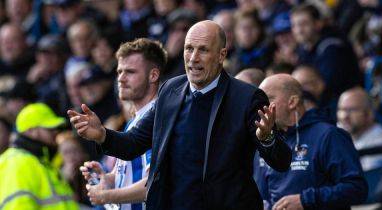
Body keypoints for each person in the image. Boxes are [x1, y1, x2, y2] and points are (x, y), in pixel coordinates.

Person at [68, 20, 291, 210]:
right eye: (188, 48)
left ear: (221, 54)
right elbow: (133, 143)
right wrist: (101, 135)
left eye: (203, 50)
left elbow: (281, 161)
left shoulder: (247, 97)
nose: (193, 58)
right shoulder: (170, 90)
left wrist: (267, 138)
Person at [258, 74, 368, 210]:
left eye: (268, 99)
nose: (262, 106)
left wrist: (305, 200)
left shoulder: (329, 135)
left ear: (292, 102)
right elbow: (266, 196)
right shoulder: (270, 139)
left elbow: (357, 189)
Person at [80, 38, 165, 210]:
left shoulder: (161, 120)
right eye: (119, 72)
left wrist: (106, 196)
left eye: (131, 72)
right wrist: (108, 178)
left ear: (153, 75)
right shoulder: (134, 122)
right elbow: (136, 173)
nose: (121, 79)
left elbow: (156, 183)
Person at [0, 103, 78, 209]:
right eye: (49, 128)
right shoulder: (18, 162)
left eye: (56, 128)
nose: (55, 132)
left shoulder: (39, 160)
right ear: (31, 131)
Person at [337, 87, 382, 171]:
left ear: (369, 114)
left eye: (352, 110)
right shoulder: (338, 133)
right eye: (342, 109)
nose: (345, 116)